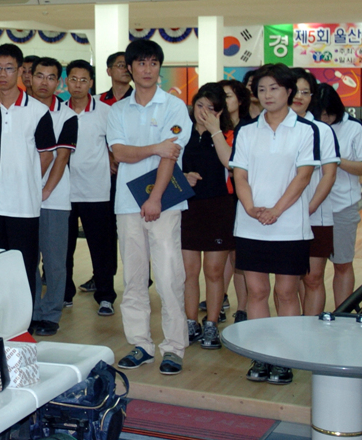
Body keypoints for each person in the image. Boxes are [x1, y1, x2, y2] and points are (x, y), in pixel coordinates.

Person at [231, 63, 319, 385]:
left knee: (285, 292)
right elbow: (239, 174)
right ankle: (261, 355)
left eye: (274, 88)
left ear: (289, 92)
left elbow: (303, 176)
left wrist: (277, 211)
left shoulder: (305, 130)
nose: (267, 95)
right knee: (256, 291)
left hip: (289, 225)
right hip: (251, 223)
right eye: (262, 89)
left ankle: (284, 358)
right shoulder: (247, 131)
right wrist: (252, 207)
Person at [108, 39, 191, 376]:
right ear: (130, 68)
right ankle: (140, 344)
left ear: (159, 67)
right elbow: (119, 154)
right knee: (134, 278)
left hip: (165, 202)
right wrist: (154, 146)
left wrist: (155, 197)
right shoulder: (117, 110)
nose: (147, 69)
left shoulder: (173, 106)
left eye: (153, 63)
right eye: (140, 63)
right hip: (127, 205)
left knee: (170, 276)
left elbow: (169, 156)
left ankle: (173, 347)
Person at [0, 43, 57, 299]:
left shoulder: (38, 111)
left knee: (24, 267)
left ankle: (24, 326)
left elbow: (47, 154)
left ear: (20, 71)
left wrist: (26, 178)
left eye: (9, 68)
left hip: (24, 205)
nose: (3, 74)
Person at [179, 83, 235, 350]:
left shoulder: (228, 135)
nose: (203, 112)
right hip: (187, 208)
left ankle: (211, 323)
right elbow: (166, 166)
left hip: (219, 208)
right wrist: (183, 177)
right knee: (189, 272)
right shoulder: (181, 133)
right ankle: (191, 322)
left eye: (211, 108)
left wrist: (215, 131)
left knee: (214, 271)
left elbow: (231, 164)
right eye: (199, 106)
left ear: (220, 111)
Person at [27, 57, 79, 336]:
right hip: (23, 200)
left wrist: (44, 191)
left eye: (50, 77)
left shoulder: (67, 115)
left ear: (58, 82)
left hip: (55, 199)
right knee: (28, 258)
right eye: (39, 76)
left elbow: (61, 158)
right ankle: (33, 311)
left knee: (55, 261)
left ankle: (51, 313)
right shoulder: (23, 109)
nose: (43, 82)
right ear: (30, 77)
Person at [63, 60, 117, 317]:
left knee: (102, 248)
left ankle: (106, 296)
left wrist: (112, 160)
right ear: (66, 82)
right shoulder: (59, 111)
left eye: (83, 80)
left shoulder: (105, 112)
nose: (78, 85)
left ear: (92, 83)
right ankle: (64, 293)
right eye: (73, 79)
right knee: (64, 247)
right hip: (63, 192)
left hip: (97, 191)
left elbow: (115, 146)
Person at [314, 83, 362, 308]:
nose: (324, 119)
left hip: (342, 208)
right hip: (313, 208)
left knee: (342, 264)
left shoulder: (354, 128)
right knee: (311, 272)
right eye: (320, 115)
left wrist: (336, 160)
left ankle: (344, 314)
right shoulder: (309, 126)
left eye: (328, 115)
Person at [291, 69, 340, 316]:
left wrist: (308, 207)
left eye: (305, 92)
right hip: (283, 216)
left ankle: (311, 333)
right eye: (295, 90)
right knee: (288, 282)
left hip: (316, 214)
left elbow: (329, 175)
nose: (299, 96)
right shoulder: (270, 128)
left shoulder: (322, 131)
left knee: (312, 278)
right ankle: (293, 335)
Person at [220, 78, 254, 322]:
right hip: (218, 199)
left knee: (239, 256)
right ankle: (219, 298)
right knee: (221, 254)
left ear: (240, 101)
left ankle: (243, 307)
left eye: (228, 96)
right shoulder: (211, 127)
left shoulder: (250, 129)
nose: (223, 101)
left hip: (241, 198)